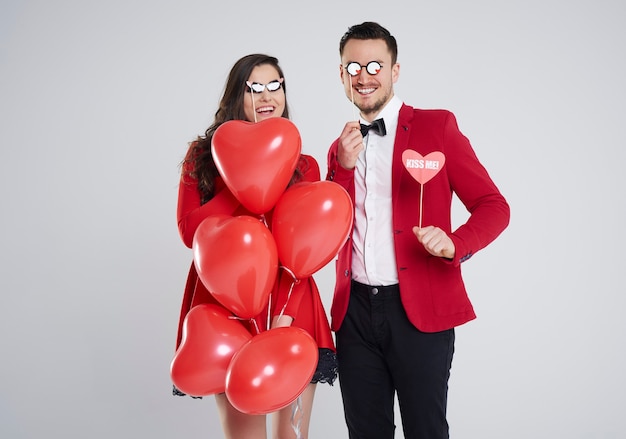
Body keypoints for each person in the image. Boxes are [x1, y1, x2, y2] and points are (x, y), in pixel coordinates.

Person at [326, 22, 510, 439]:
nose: (364, 76)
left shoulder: (437, 126)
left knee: (426, 431)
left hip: (418, 313)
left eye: (375, 65)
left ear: (394, 71)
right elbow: (329, 228)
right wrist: (342, 168)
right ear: (341, 75)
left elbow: (494, 206)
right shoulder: (338, 148)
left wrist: (456, 243)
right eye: (353, 67)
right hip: (353, 311)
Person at [175, 53, 337, 439]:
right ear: (237, 94)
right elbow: (189, 231)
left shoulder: (303, 165)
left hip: (291, 309)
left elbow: (307, 246)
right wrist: (241, 178)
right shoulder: (202, 157)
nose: (267, 96)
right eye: (255, 87)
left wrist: (284, 320)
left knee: (292, 437)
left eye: (275, 85)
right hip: (226, 312)